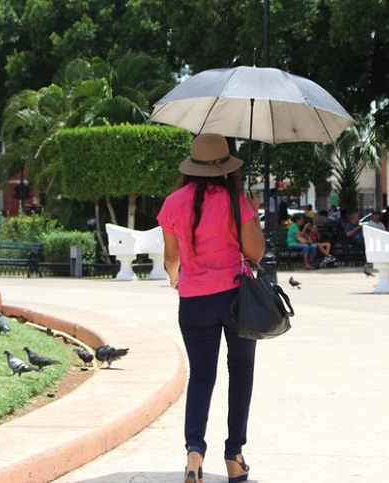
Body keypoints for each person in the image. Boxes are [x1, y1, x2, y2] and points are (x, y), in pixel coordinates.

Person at [157, 133, 264, 483]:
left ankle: (194, 453)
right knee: (241, 373)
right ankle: (234, 455)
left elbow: (171, 258)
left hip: (194, 301)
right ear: (225, 167)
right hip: (237, 299)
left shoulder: (173, 203)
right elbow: (256, 253)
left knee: (201, 376)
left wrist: (177, 280)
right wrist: (252, 214)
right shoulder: (237, 201)